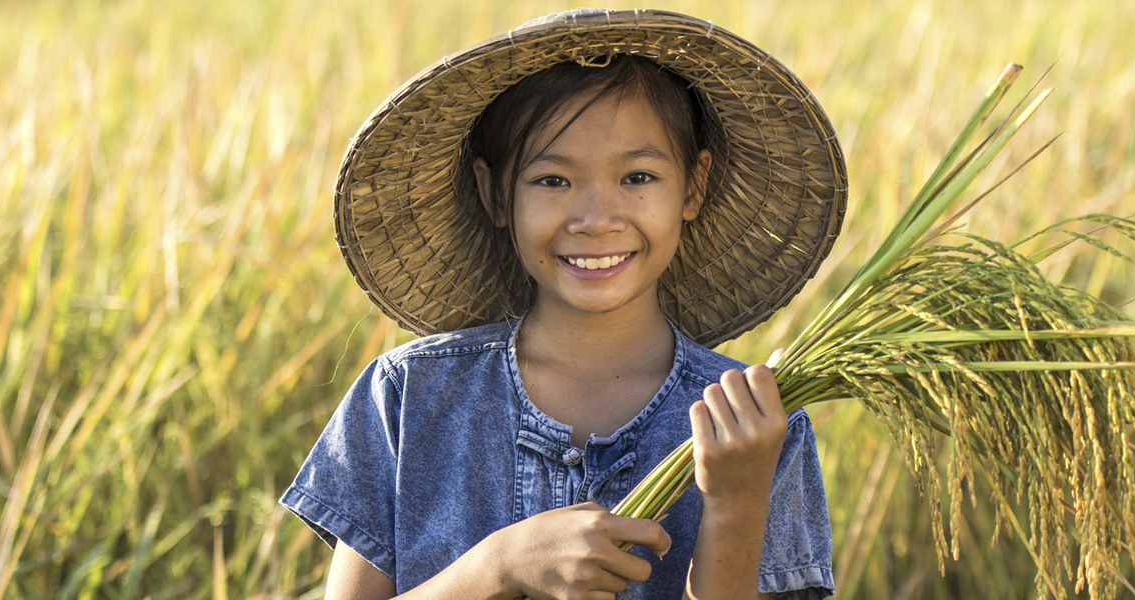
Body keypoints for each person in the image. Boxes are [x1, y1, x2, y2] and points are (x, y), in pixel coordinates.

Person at [281, 9, 849, 599]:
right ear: (494, 192)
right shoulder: (405, 399)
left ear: (695, 186)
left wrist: (735, 504)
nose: (596, 220)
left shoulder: (754, 431)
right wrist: (500, 566)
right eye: (552, 181)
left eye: (638, 177)